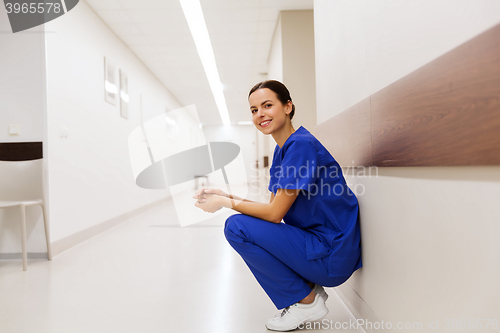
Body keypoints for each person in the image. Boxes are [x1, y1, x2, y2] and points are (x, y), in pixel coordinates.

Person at [193, 80, 362, 331]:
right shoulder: (283, 151)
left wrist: (225, 203)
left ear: (288, 106)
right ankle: (307, 291)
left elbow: (273, 215)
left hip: (332, 253)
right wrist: (223, 194)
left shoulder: (301, 146)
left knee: (235, 227)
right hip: (319, 244)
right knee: (242, 224)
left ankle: (306, 301)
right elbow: (271, 212)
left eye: (267, 105)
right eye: (253, 110)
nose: (260, 114)